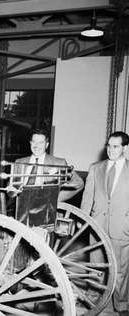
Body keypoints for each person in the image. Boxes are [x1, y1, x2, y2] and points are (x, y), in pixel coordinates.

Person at [81, 131, 129, 316]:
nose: (110, 150)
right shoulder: (95, 168)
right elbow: (87, 197)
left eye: (115, 146)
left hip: (122, 228)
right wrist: (84, 220)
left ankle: (122, 304)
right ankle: (92, 299)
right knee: (95, 266)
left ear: (125, 148)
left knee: (121, 271)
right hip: (97, 227)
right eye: (108, 145)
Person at [14, 128, 84, 202]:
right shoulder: (19, 162)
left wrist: (55, 200)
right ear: (30, 143)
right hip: (22, 207)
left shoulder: (59, 163)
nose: (36, 146)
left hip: (48, 209)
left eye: (41, 142)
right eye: (34, 142)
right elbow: (12, 188)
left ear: (46, 145)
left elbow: (79, 183)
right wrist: (12, 192)